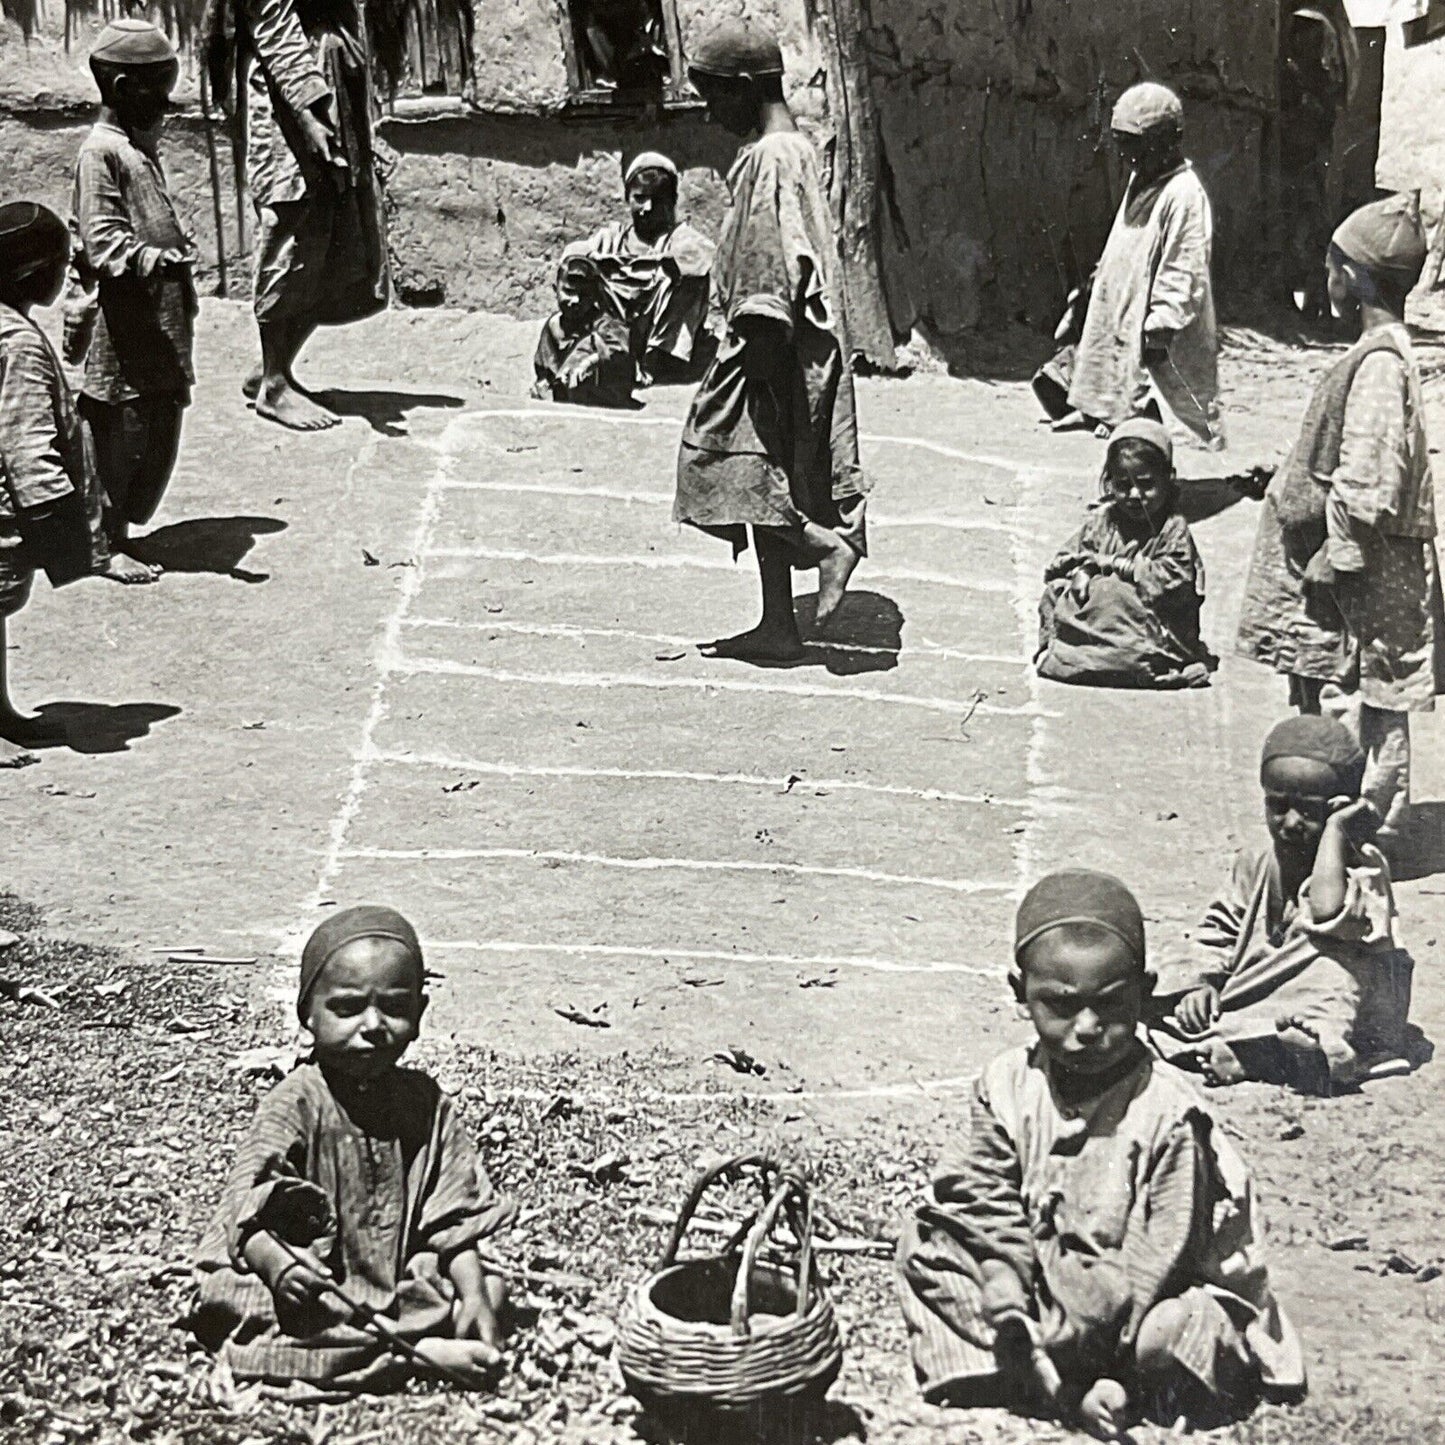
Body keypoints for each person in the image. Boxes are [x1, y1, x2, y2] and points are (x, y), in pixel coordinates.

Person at [897, 870, 1304, 1440]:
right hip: (1048, 1280)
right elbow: (983, 1197)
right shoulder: (1006, 1084)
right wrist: (1004, 1283)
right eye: (1061, 1007)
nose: (1087, 1028)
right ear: (1021, 995)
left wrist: (1098, 1343)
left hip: (1143, 1297)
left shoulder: (1167, 1113)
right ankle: (1035, 1367)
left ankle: (1100, 1387)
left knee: (1176, 1330)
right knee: (925, 1246)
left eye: (1110, 1007)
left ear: (1144, 992)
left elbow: (1161, 1256)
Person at [192, 906, 517, 1391]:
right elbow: (247, 1217)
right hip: (311, 1283)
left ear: (420, 1013)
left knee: (488, 1287)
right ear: (308, 1014)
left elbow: (453, 1221)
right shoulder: (294, 1103)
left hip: (394, 1274)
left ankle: (394, 1340)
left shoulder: (424, 1103)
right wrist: (280, 1268)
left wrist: (473, 1295)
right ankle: (418, 1353)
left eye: (395, 1007)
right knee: (237, 1303)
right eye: (346, 1009)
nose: (373, 1026)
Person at [1238, 192, 1444, 850]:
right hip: (1351, 568)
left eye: (1329, 266)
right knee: (1339, 689)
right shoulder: (1374, 355)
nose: (1323, 278)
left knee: (1349, 696)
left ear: (1349, 276)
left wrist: (1338, 554)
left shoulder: (1380, 365)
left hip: (1357, 578)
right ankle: (1337, 827)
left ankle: (1350, 833)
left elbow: (1367, 475)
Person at [674, 19, 870, 663]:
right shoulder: (799, 147)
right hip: (796, 338)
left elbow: (770, 258)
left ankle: (822, 545)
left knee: (727, 463)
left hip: (772, 339)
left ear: (744, 87)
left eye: (712, 97)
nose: (708, 113)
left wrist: (757, 347)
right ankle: (778, 624)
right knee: (769, 469)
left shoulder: (766, 157)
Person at [1151, 717, 1413, 1093]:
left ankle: (1280, 1052)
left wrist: (1337, 831)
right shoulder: (1256, 861)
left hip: (1350, 999)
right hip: (1262, 987)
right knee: (1155, 991)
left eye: (1308, 810)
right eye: (1278, 806)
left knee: (1331, 975)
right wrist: (1203, 983)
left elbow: (1327, 913)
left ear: (1339, 807)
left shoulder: (1364, 864)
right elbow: (1220, 928)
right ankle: (1264, 1050)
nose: (1290, 822)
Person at [203, 0, 388, 430]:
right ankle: (273, 385)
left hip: (329, 79)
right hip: (286, 94)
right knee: (291, 227)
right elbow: (273, 23)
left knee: (336, 231)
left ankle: (274, 367)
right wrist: (308, 114)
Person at [69, 19, 196, 584]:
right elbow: (102, 241)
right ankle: (101, 542)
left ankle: (115, 530)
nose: (166, 107)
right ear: (122, 89)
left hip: (154, 320)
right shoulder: (100, 153)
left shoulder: (135, 149)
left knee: (150, 428)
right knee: (119, 432)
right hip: (122, 323)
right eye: (157, 93)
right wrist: (151, 259)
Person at [0, 202, 111, 767]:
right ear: (31, 276)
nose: (66, 274)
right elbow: (24, 440)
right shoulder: (16, 343)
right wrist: (56, 520)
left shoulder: (11, 326)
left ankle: (0, 712)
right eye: (60, 265)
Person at [1051, 82, 1222, 449]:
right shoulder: (1141, 176)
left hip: (1158, 311)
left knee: (1163, 383)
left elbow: (1183, 263)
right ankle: (1101, 411)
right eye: (1123, 147)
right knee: (1107, 355)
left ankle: (1146, 429)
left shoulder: (1184, 193)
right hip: (1124, 294)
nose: (1129, 158)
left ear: (1169, 141)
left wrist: (1164, 319)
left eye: (1137, 148)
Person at [1036, 417, 1215, 688]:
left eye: (1146, 484)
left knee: (1113, 593)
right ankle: (1076, 653)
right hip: (1097, 615)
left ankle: (1120, 661)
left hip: (1146, 620)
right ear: (1109, 483)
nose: (1134, 495)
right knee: (1057, 591)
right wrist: (1083, 570)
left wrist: (1122, 568)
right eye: (1123, 485)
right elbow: (1060, 563)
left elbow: (1175, 581)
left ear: (1169, 479)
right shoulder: (1102, 520)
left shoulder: (1172, 528)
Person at [562, 151, 715, 384]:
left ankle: (656, 364)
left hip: (654, 335)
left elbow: (700, 255)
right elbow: (576, 254)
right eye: (640, 198)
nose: (647, 208)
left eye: (658, 199)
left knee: (683, 279)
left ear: (672, 201)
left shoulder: (679, 238)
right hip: (613, 329)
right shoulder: (611, 238)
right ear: (627, 197)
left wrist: (653, 269)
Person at [532, 254, 637, 406]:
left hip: (604, 394)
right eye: (568, 292)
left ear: (594, 296)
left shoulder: (605, 322)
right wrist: (543, 383)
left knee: (591, 341)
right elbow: (544, 367)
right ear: (555, 290)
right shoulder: (554, 325)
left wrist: (589, 362)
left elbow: (619, 349)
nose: (576, 300)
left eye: (584, 295)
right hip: (565, 392)